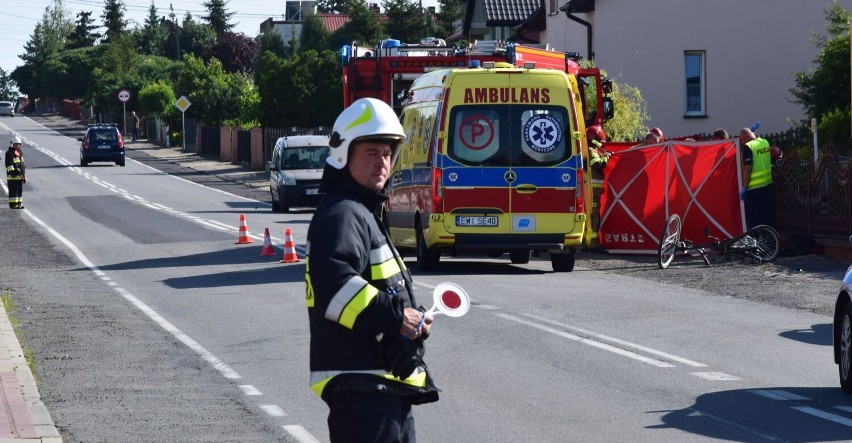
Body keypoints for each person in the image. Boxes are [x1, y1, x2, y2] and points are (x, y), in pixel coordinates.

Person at [305, 97, 439, 442]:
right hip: (363, 388)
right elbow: (335, 290)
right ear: (343, 154)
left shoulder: (362, 212)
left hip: (379, 384)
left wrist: (411, 323)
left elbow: (380, 291)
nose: (382, 162)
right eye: (370, 153)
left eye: (387, 153)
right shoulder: (342, 214)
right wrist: (398, 318)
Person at [738, 128, 773, 228]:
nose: (742, 142)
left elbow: (748, 168)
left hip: (754, 188)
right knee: (766, 215)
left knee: (754, 218)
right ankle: (769, 238)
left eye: (742, 140)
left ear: (747, 137)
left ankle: (756, 241)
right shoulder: (764, 142)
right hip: (767, 185)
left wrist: (744, 187)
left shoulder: (748, 147)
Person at [5, 136, 25, 209]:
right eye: (16, 144)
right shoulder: (9, 153)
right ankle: (13, 205)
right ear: (12, 144)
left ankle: (19, 203)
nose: (18, 146)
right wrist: (15, 172)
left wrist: (23, 175)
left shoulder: (20, 153)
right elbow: (8, 165)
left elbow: (22, 165)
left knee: (19, 191)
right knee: (13, 191)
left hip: (19, 177)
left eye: (19, 144)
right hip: (12, 177)